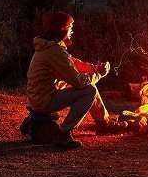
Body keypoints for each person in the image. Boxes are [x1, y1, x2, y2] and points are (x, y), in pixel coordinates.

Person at [25, 11, 117, 149]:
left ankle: (104, 123)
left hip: (39, 97)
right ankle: (63, 134)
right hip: (43, 100)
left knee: (88, 85)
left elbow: (73, 63)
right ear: (63, 28)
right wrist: (99, 74)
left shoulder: (50, 46)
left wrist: (95, 68)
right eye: (71, 27)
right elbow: (78, 81)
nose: (72, 31)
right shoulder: (54, 50)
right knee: (88, 90)